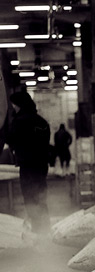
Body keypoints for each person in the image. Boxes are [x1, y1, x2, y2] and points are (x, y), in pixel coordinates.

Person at [6, 91, 51, 234]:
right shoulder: (42, 122)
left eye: (15, 106)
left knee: (30, 196)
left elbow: (11, 139)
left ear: (20, 105)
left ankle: (37, 229)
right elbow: (46, 142)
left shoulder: (18, 122)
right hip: (41, 165)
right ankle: (44, 228)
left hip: (27, 165)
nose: (14, 108)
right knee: (40, 195)